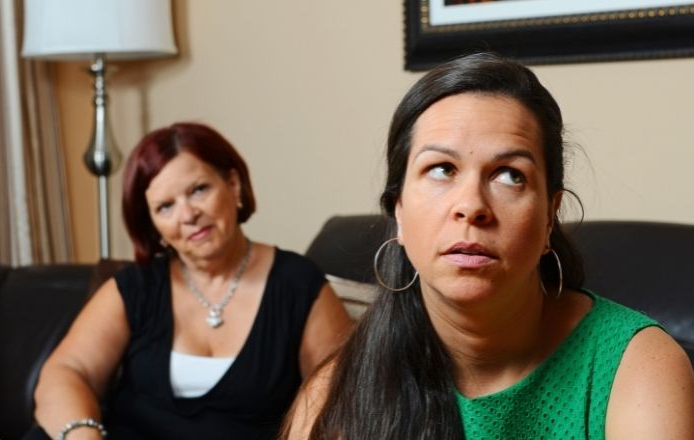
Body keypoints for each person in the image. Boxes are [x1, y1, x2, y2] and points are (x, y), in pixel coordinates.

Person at [283, 53, 694, 439]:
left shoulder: (636, 367)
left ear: (550, 215)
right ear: (399, 212)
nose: (472, 207)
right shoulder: (335, 394)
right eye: (442, 169)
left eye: (509, 175)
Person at [30, 122, 352, 439]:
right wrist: (82, 434)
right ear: (154, 225)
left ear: (234, 184)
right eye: (165, 207)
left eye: (199, 190)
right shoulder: (136, 287)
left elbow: (341, 400)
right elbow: (67, 371)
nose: (187, 215)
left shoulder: (298, 284)